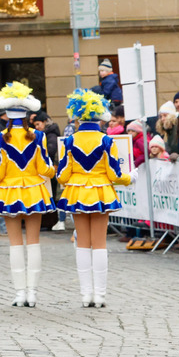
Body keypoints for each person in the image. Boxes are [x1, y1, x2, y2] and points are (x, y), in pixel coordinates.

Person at [0, 82, 55, 307]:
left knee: (15, 244)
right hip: (34, 192)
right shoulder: (39, 136)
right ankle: (32, 294)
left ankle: (19, 294)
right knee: (34, 243)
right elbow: (45, 169)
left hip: (9, 194)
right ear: (27, 113)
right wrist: (52, 169)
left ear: (6, 114)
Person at [58, 89, 133, 307]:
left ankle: (85, 295)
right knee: (99, 243)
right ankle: (100, 296)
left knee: (82, 243)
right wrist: (130, 178)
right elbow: (115, 174)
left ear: (77, 116)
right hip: (101, 192)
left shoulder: (69, 141)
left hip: (77, 192)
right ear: (100, 116)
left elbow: (62, 176)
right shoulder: (107, 140)